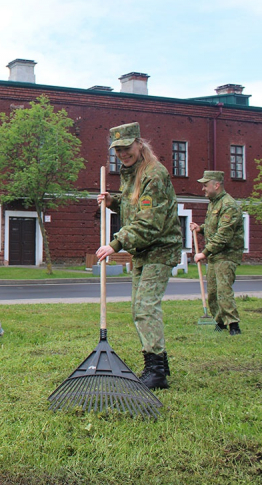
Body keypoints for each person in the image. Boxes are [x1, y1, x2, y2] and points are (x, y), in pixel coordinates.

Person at [96, 122, 181, 390]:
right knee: (138, 308)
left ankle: (156, 372)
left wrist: (116, 243)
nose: (122, 153)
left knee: (145, 307)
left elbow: (150, 222)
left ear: (139, 144)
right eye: (117, 150)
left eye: (126, 147)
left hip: (161, 247)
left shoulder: (154, 174)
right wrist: (114, 202)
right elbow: (134, 206)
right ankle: (160, 363)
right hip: (143, 251)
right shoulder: (132, 174)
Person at [190, 170, 245, 335]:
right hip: (215, 256)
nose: (203, 189)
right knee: (213, 292)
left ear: (216, 185)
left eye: (205, 185)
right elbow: (214, 227)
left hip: (227, 256)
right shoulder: (214, 203)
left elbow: (223, 235)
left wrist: (204, 253)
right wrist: (200, 229)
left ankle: (234, 325)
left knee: (223, 290)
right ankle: (219, 323)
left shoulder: (229, 205)